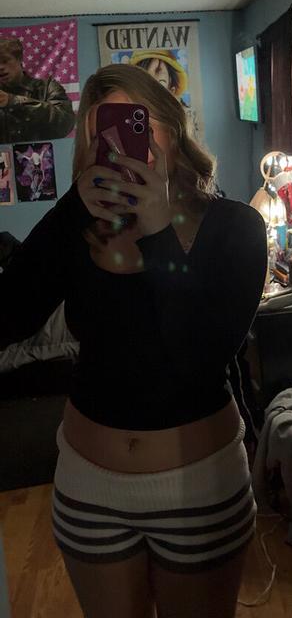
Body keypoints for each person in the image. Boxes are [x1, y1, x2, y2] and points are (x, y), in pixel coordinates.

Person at [0, 63, 267, 618]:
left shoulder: (235, 227)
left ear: (171, 128)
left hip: (200, 486)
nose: (120, 145)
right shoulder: (79, 226)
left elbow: (200, 357)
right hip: (88, 487)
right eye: (102, 134)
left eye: (135, 125)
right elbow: (8, 318)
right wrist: (73, 206)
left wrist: (160, 233)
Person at [0, 37, 75, 143]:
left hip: (42, 153)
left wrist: (14, 101)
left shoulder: (47, 87)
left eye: (5, 61)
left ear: (19, 59)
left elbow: (64, 124)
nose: (1, 67)